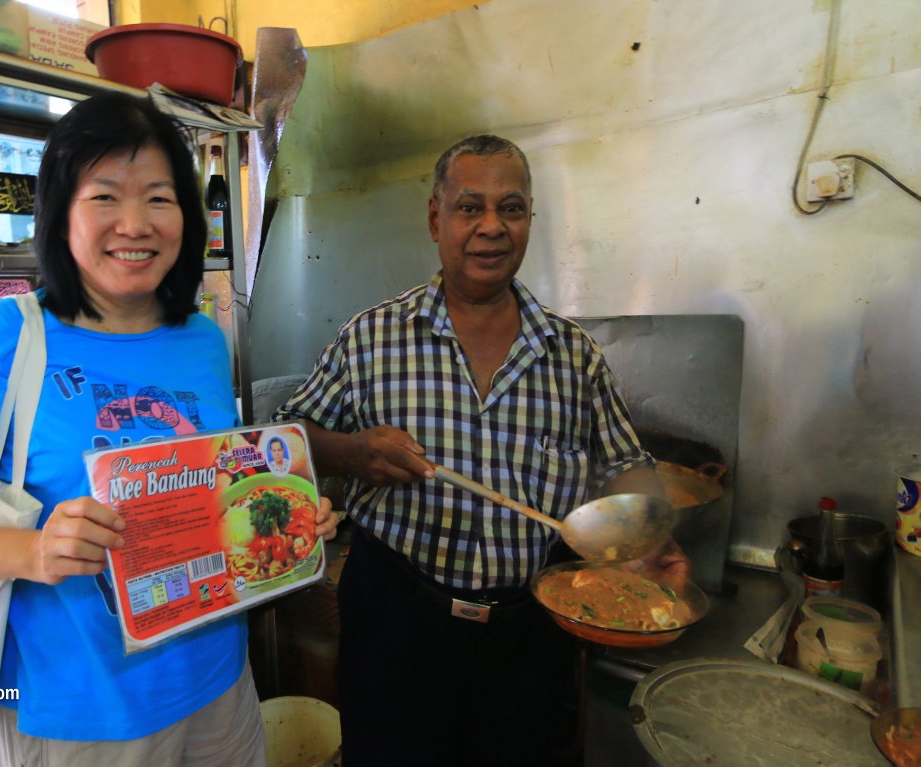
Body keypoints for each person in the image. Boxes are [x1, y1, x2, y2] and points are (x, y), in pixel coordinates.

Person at [0, 91, 338, 767]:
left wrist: (282, 518)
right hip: (80, 716)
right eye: (105, 196)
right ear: (61, 213)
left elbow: (211, 485)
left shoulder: (202, 338)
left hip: (218, 687)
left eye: (160, 198)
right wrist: (31, 552)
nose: (135, 224)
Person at [274, 134, 689, 766]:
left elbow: (626, 465)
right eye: (471, 208)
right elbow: (285, 441)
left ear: (529, 221)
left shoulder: (572, 355)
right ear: (436, 218)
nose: (491, 227)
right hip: (396, 621)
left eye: (511, 208)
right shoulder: (372, 338)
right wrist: (352, 452)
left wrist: (646, 535)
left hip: (528, 633)